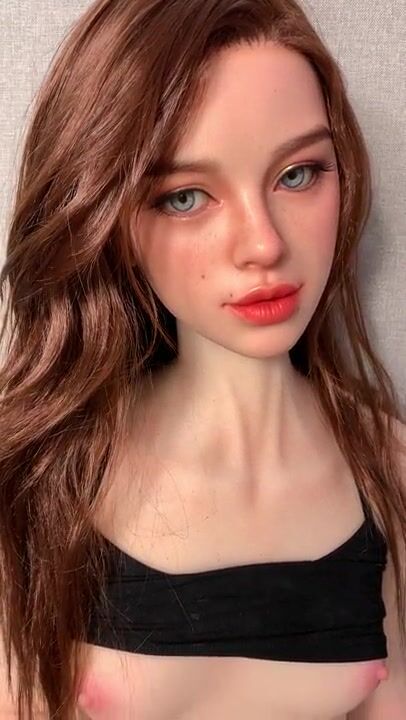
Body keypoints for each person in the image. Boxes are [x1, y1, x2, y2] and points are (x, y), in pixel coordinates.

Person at [0, 0, 405, 718]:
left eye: (298, 174)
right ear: (106, 217)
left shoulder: (391, 467)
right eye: (186, 196)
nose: (263, 244)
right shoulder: (36, 481)